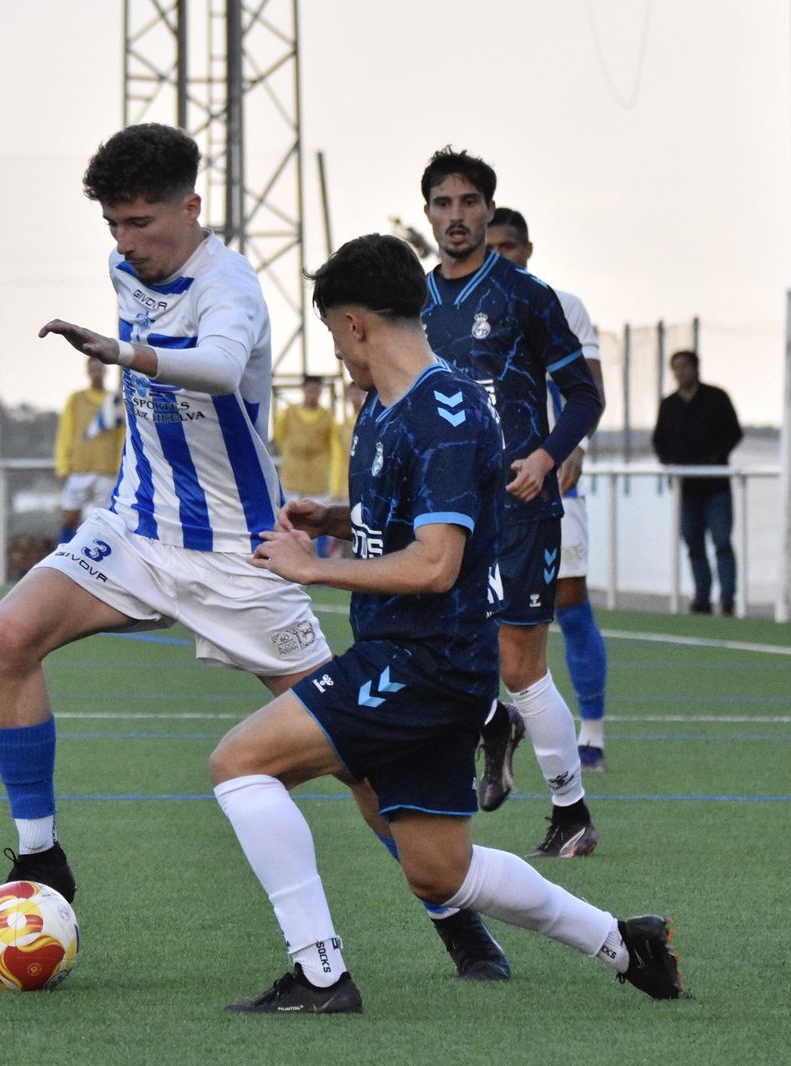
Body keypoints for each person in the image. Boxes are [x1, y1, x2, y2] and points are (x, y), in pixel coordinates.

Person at [0, 123, 508, 985]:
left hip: (241, 555)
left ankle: (454, 918)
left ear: (192, 207)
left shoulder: (234, 288)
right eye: (113, 226)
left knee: (356, 761)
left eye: (142, 223)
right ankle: (42, 860)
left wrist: (120, 352)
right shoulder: (127, 266)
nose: (126, 244)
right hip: (135, 528)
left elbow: (223, 367)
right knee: (6, 638)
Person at [211, 232, 681, 1014]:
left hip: (419, 663)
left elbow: (435, 564)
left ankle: (320, 974)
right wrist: (333, 519)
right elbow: (413, 518)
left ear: (357, 324)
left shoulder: (445, 410)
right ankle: (625, 944)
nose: (339, 356)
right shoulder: (387, 409)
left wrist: (312, 567)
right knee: (441, 870)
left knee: (239, 764)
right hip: (423, 664)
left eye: (334, 336)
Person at [418, 149, 604, 859]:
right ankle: (494, 723)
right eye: (443, 203)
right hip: (442, 507)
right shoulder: (416, 302)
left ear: (488, 211)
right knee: (429, 646)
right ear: (429, 213)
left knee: (520, 661)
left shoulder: (526, 295)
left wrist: (546, 455)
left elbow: (585, 395)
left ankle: (571, 811)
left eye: (470, 202)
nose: (457, 216)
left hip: (519, 502)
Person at [487, 207, 611, 771]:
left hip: (550, 477)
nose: (499, 255)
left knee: (570, 605)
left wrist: (570, 449)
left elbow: (587, 392)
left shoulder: (560, 304)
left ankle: (593, 730)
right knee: (475, 609)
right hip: (480, 484)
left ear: (527, 250)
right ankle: (492, 726)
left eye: (508, 246)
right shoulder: (450, 304)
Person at [652, 350, 744, 615]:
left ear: (695, 368)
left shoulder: (716, 398)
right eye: (676, 368)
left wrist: (714, 459)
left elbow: (734, 432)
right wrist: (672, 463)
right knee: (692, 542)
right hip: (687, 488)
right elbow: (659, 441)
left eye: (684, 367)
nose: (680, 373)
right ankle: (701, 597)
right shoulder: (669, 405)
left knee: (722, 541)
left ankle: (728, 599)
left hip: (716, 487)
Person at [53, 357, 125, 542]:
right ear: (88, 371)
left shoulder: (115, 400)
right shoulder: (76, 399)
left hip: (106, 469)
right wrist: (63, 465)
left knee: (104, 520)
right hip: (79, 468)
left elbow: (121, 436)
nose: (96, 373)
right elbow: (65, 432)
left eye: (99, 369)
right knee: (70, 516)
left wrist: (120, 468)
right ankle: (64, 552)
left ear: (105, 371)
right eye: (93, 370)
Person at [272, 375, 338, 502]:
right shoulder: (287, 413)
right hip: (291, 479)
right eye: (310, 390)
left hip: (317, 483)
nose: (312, 394)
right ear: (303, 390)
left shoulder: (328, 418)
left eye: (316, 390)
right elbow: (279, 436)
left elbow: (334, 447)